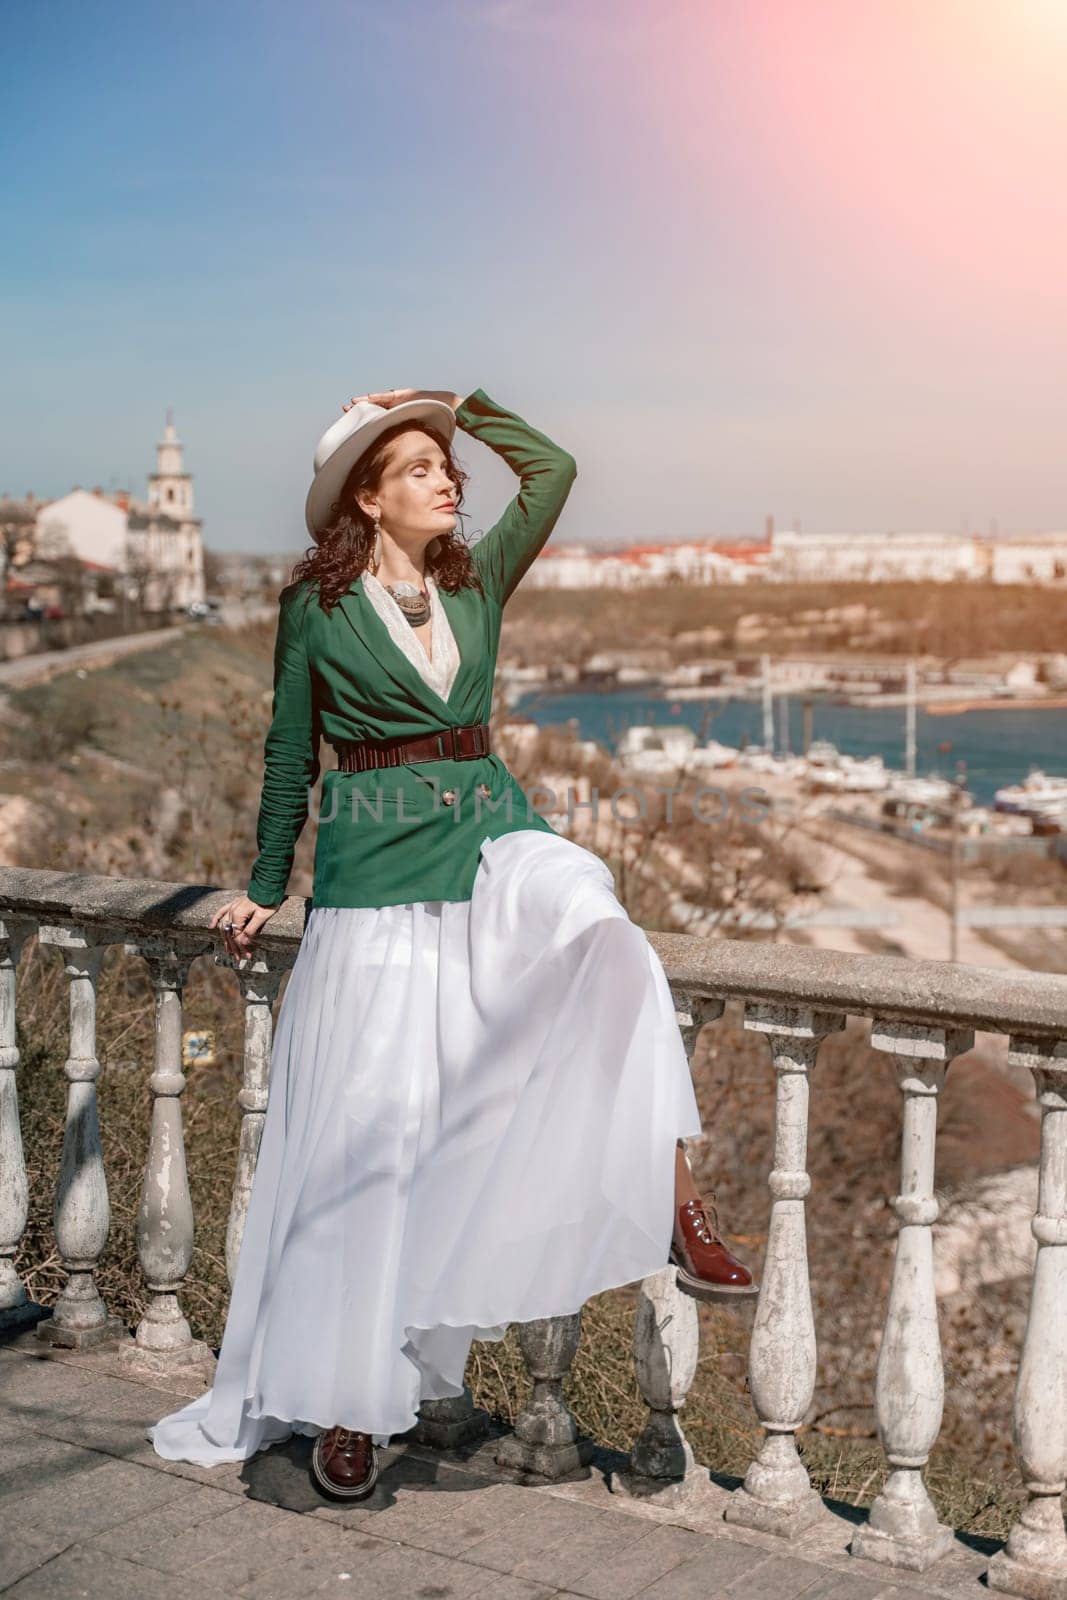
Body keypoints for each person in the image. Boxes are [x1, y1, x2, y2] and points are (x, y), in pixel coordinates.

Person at [146, 385, 757, 1500]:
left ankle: (674, 1194)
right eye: (418, 465)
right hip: (376, 883)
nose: (444, 478)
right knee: (374, 1149)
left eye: (447, 465)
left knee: (601, 926)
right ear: (366, 498)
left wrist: (461, 403)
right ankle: (346, 1401)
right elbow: (291, 753)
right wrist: (265, 882)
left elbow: (554, 470)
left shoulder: (474, 580)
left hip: (489, 842)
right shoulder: (314, 610)